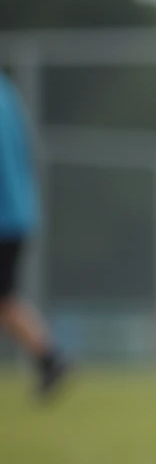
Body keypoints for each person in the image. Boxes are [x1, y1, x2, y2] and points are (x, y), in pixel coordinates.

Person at [0, 70, 67, 397]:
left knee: (5, 299)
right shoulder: (7, 92)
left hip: (5, 215)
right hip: (19, 211)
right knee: (5, 299)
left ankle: (49, 356)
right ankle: (48, 357)